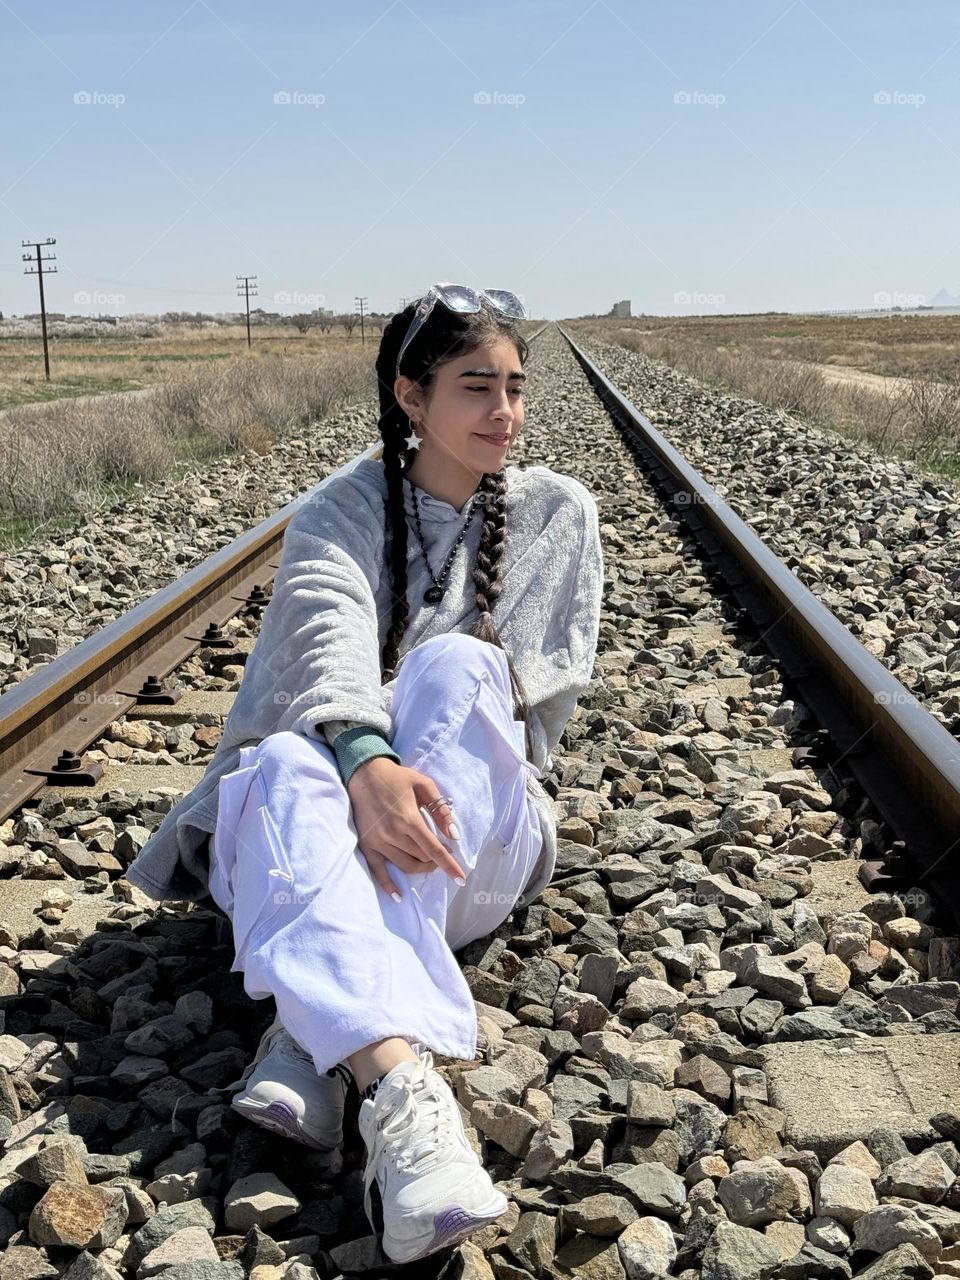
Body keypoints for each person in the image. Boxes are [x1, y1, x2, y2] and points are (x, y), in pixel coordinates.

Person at [125, 284, 604, 1264]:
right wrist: (365, 757)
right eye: (477, 387)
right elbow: (326, 646)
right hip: (294, 833)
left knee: (462, 667)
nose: (504, 413)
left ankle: (310, 1036)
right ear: (409, 397)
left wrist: (400, 763)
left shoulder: (558, 518)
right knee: (294, 755)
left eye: (515, 387)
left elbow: (523, 723)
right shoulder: (337, 512)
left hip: (467, 844)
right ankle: (400, 1090)